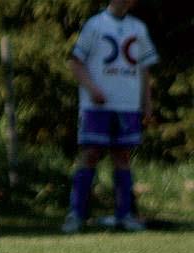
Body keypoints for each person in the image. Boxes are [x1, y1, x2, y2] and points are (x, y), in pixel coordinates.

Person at [61, 0, 158, 233]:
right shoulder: (95, 25)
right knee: (90, 154)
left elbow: (144, 69)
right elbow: (75, 62)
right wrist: (92, 89)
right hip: (96, 107)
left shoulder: (138, 28)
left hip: (127, 105)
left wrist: (147, 102)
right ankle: (76, 215)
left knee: (123, 156)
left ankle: (125, 215)